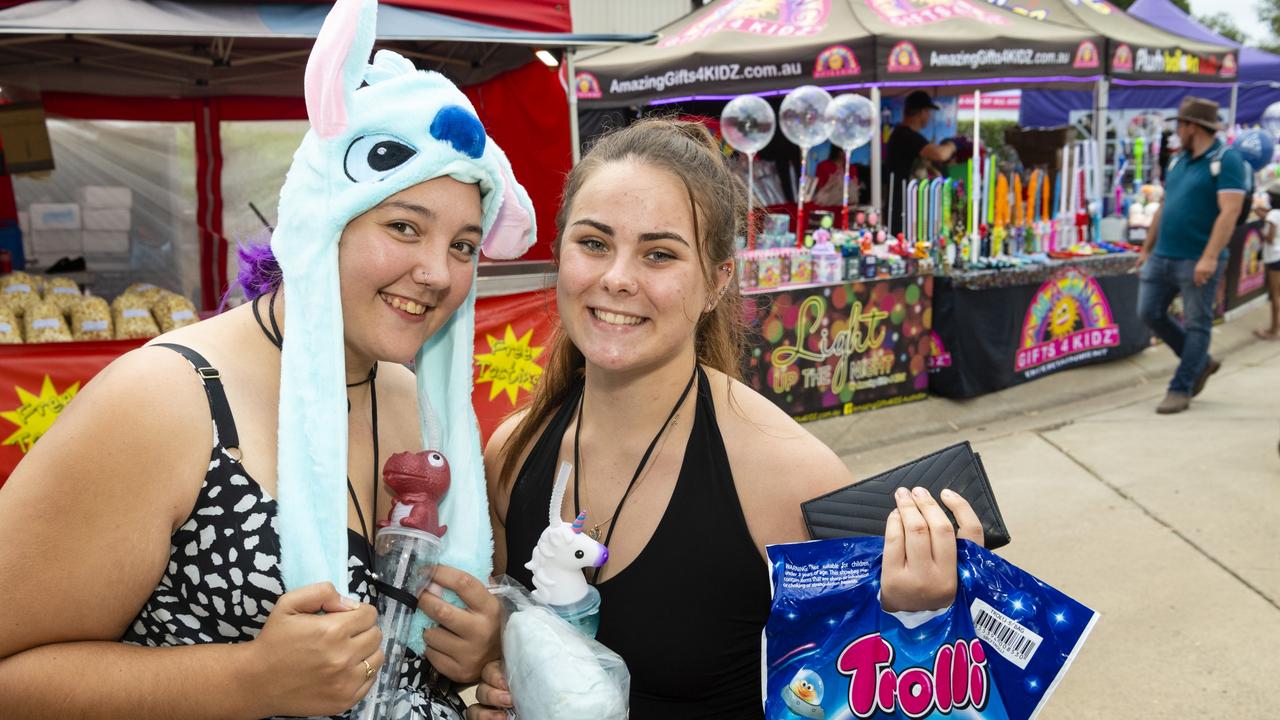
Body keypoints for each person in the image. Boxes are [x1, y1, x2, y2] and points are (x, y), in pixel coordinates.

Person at [0, 0, 537, 716]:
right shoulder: (168, 399)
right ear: (324, 218)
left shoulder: (415, 401)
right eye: (403, 226)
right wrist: (246, 680)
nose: (438, 272)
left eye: (464, 246)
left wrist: (477, 649)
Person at [465, 119, 985, 720]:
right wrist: (503, 687)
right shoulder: (513, 453)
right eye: (594, 243)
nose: (617, 278)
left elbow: (850, 698)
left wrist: (919, 622)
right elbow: (515, 652)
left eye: (659, 254)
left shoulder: (791, 481)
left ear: (716, 281)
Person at [1136, 96, 1247, 415]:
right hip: (1163, 256)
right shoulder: (1178, 161)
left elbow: (1230, 212)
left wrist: (1210, 257)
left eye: (1180, 126)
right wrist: (1147, 248)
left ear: (1193, 127)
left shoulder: (1226, 160)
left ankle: (1180, 387)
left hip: (1196, 258)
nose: (1177, 133)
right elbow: (1164, 207)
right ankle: (1200, 361)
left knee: (1198, 324)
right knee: (1149, 312)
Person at [885, 90, 956, 236]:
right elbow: (940, 154)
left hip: (909, 205)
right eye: (928, 112)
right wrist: (954, 144)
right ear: (922, 112)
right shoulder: (905, 135)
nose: (929, 117)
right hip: (902, 208)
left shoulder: (902, 134)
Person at [1254, 187, 1280, 341]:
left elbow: (1270, 238)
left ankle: (1273, 329)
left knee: (1275, 295)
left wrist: (1262, 233)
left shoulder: (1274, 215)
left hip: (1274, 257)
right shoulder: (1274, 214)